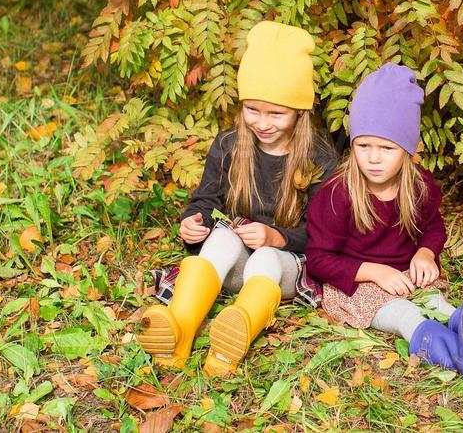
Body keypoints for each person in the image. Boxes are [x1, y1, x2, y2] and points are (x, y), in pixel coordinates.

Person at [305, 63, 463, 381]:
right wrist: (374, 272)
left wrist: (425, 253)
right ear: (352, 143)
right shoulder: (337, 193)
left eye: (387, 148)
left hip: (406, 276)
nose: (373, 158)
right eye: (363, 145)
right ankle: (461, 359)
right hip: (356, 285)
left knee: (437, 304)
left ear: (408, 149)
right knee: (405, 314)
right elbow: (317, 260)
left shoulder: (418, 185)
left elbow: (434, 227)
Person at [137, 20, 339, 375]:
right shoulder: (230, 144)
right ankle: (180, 329)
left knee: (267, 258)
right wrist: (193, 222)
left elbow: (325, 236)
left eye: (276, 113)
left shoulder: (318, 157)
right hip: (231, 269)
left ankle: (231, 344)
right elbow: (205, 200)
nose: (262, 123)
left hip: (285, 270)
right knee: (223, 235)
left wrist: (277, 237)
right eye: (253, 110)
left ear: (300, 112)